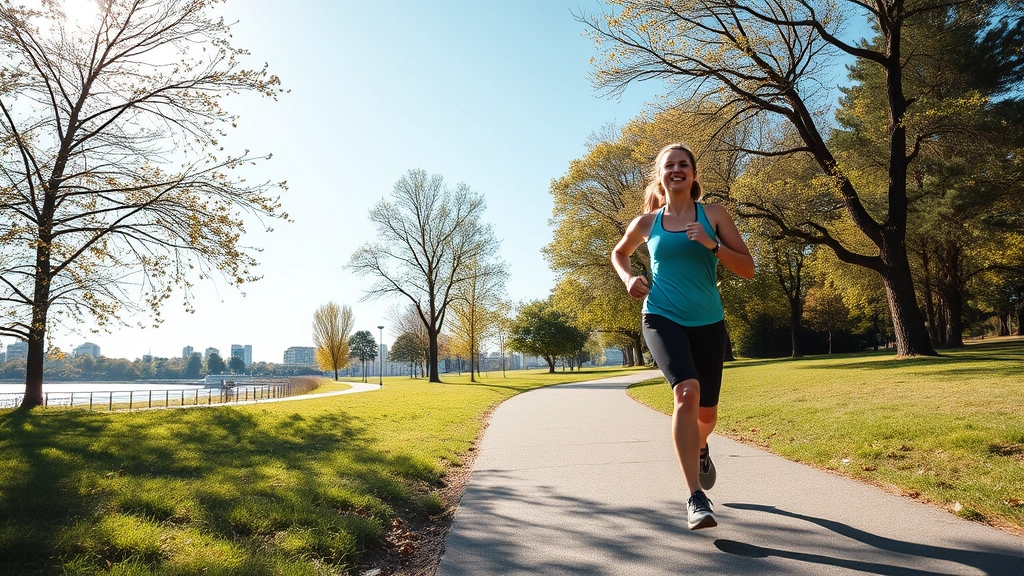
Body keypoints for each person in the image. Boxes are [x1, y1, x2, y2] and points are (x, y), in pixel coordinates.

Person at [611, 143, 754, 530]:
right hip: (661, 316)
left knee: (707, 414)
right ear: (660, 175)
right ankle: (695, 497)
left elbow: (747, 268)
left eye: (683, 165)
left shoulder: (714, 215)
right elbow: (619, 254)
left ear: (693, 174)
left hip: (708, 322)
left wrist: (713, 244)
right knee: (685, 392)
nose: (676, 170)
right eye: (669, 166)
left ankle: (701, 445)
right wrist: (628, 278)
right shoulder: (646, 223)